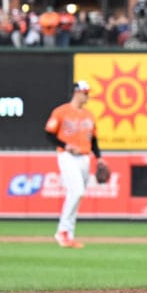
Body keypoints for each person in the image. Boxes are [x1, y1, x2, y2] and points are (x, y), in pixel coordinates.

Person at [44, 80, 107, 248]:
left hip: (85, 157)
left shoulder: (89, 115)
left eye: (88, 93)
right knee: (76, 191)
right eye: (85, 93)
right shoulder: (61, 112)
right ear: (77, 92)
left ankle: (68, 234)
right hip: (67, 156)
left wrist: (99, 157)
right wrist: (65, 146)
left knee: (77, 195)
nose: (87, 96)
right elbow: (49, 134)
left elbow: (93, 139)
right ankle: (62, 231)